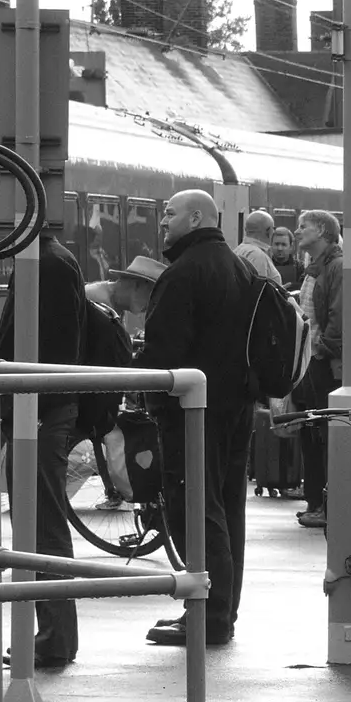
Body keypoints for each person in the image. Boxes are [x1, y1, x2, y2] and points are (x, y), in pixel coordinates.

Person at [138, 190, 256, 647]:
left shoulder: (184, 272)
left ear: (194, 217)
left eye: (168, 214)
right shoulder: (238, 267)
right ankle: (222, 609)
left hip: (193, 413)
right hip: (236, 409)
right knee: (227, 509)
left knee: (196, 511)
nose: (163, 222)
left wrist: (138, 378)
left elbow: (164, 356)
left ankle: (207, 616)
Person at [0, 230, 88, 668]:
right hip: (38, 410)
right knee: (39, 525)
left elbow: (43, 345)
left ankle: (54, 637)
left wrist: (26, 413)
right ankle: (53, 633)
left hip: (39, 412)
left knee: (42, 527)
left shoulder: (44, 266)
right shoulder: (47, 260)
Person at [296, 209, 351, 529]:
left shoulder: (336, 268)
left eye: (303, 227)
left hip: (328, 365)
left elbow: (339, 320)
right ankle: (319, 501)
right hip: (317, 362)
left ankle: (329, 505)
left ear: (322, 231)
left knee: (327, 435)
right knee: (316, 433)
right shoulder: (318, 268)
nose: (297, 232)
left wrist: (320, 350)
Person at [84, 254, 165, 338]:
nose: (151, 305)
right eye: (151, 295)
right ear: (137, 285)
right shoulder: (96, 302)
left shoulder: (116, 303)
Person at [235, 210, 277, 281]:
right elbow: (259, 289)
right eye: (273, 229)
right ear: (269, 231)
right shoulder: (258, 256)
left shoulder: (237, 250)